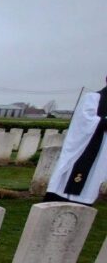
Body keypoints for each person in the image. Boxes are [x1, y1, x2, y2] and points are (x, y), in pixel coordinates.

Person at [45, 77, 107, 205]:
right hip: (85, 147)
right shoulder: (93, 98)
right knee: (70, 180)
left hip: (102, 154)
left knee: (92, 181)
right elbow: (85, 121)